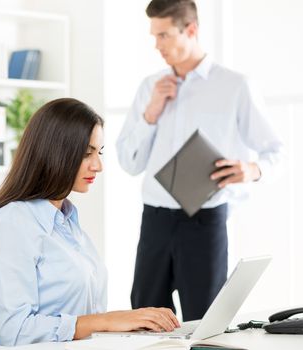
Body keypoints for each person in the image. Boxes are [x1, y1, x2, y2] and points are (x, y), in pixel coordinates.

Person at [116, 0, 284, 321]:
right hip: (155, 221)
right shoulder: (150, 87)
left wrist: (252, 169)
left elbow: (276, 150)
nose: (157, 45)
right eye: (154, 36)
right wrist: (150, 114)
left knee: (207, 323)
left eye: (164, 35)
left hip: (204, 223)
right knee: (144, 319)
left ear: (191, 30)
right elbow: (129, 161)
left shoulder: (235, 86)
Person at [0, 98, 180, 346]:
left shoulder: (66, 221)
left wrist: (132, 323)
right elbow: (15, 331)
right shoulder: (12, 224)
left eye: (99, 152)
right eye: (86, 153)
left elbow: (81, 320)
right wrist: (108, 321)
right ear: (54, 152)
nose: (98, 165)